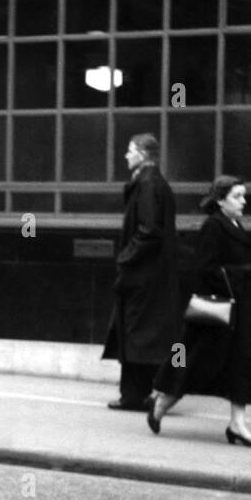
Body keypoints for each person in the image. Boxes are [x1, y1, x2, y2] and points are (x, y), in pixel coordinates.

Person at [148, 176, 251, 446]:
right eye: (237, 196)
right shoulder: (213, 227)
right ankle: (161, 404)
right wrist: (239, 277)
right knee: (190, 363)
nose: (244, 201)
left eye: (244, 195)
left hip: (239, 312)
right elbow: (203, 269)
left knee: (242, 365)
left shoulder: (235, 224)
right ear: (220, 200)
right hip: (217, 313)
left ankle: (237, 424)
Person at [101, 133, 181, 411]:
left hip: (143, 276)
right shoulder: (154, 183)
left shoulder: (147, 185)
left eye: (130, 150)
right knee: (144, 337)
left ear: (144, 155)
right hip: (151, 276)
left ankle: (139, 394)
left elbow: (149, 230)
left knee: (137, 334)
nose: (126, 155)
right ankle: (142, 393)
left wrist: (126, 257)